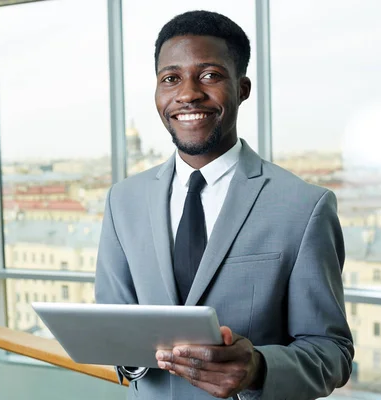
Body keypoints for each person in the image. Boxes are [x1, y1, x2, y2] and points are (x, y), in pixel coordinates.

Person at [95, 10, 354, 400]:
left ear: (243, 88)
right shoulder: (123, 200)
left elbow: (332, 353)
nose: (187, 93)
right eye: (171, 78)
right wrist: (127, 358)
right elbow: (113, 327)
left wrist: (258, 369)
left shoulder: (304, 206)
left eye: (210, 75)